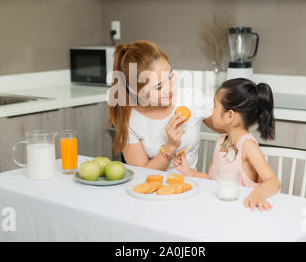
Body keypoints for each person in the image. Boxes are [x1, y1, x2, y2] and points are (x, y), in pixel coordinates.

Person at [108, 40, 222, 173]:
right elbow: (141, 174)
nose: (170, 89)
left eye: (170, 75)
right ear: (136, 91)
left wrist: (212, 173)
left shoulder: (192, 99)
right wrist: (170, 146)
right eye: (159, 86)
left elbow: (232, 128)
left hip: (191, 188)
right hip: (152, 189)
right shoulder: (129, 120)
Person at [173, 78, 281, 211]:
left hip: (242, 210)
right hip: (220, 209)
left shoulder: (247, 146)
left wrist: (257, 194)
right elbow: (211, 178)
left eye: (214, 106)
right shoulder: (221, 141)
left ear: (229, 115)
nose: (211, 111)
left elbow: (273, 181)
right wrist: (190, 172)